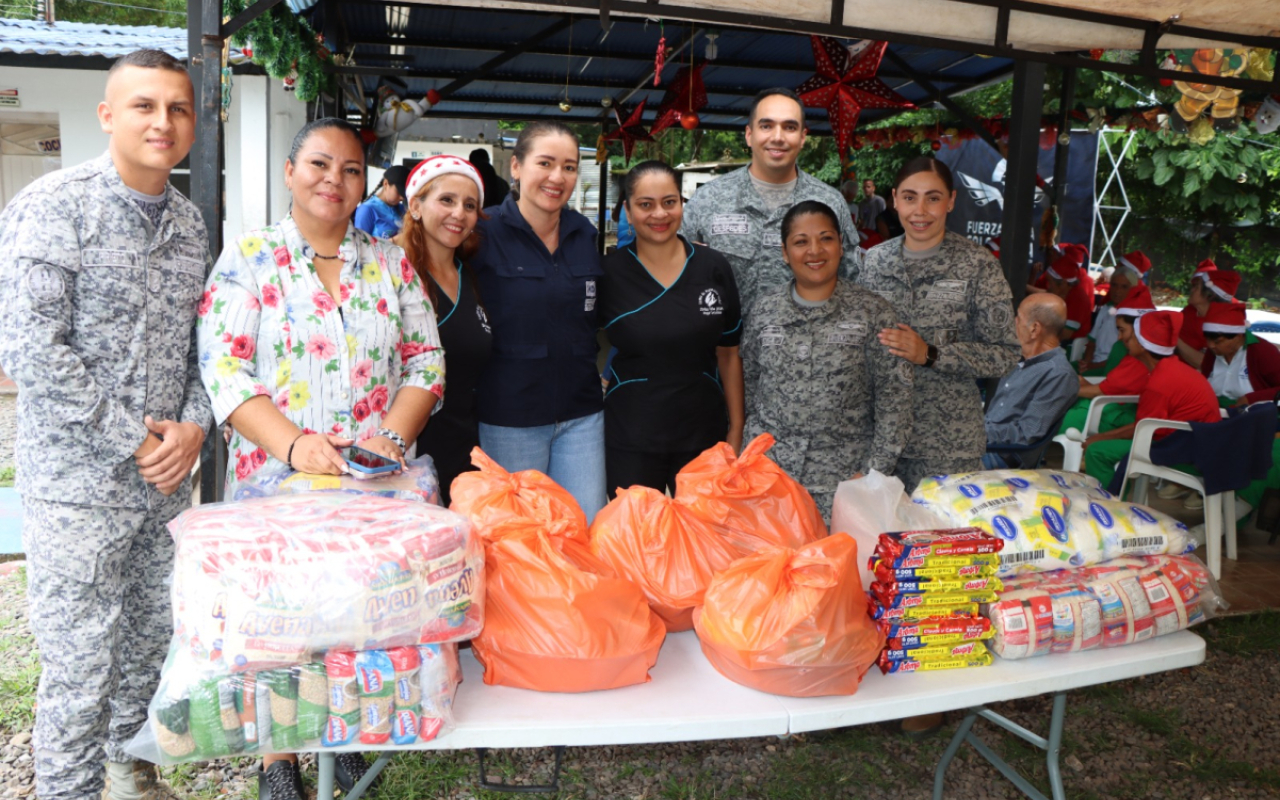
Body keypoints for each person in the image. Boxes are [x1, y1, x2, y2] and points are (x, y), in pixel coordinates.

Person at [198, 118, 445, 800]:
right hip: (277, 481)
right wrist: (294, 444)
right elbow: (224, 367)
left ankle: (354, 720)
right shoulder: (249, 257)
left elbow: (426, 357)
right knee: (281, 616)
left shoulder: (390, 259)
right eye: (318, 164)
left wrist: (391, 437)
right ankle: (278, 760)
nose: (333, 180)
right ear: (289, 171)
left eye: (350, 169)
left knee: (361, 607)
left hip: (376, 481)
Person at [0, 49, 211, 800]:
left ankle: (133, 776)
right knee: (79, 670)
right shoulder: (55, 206)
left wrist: (192, 428)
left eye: (178, 108)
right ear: (107, 115)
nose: (163, 122)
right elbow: (30, 348)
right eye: (145, 106)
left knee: (151, 648)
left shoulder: (189, 226)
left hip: (159, 494)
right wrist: (136, 438)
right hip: (76, 492)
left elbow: (204, 350)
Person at [471, 121, 608, 521]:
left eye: (569, 167)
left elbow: (605, 312)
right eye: (545, 163)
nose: (557, 177)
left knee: (582, 530)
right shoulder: (482, 232)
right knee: (520, 541)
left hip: (582, 415)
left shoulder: (584, 233)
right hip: (510, 417)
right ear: (516, 167)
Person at [742, 200, 912, 519]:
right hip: (770, 485)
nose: (814, 251)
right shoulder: (764, 311)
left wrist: (873, 475)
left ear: (840, 244)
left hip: (846, 487)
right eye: (801, 242)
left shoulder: (873, 313)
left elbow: (895, 402)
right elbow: (750, 387)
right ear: (784, 252)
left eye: (826, 238)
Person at [861, 156, 1020, 493]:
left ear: (951, 201)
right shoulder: (873, 261)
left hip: (947, 446)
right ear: (894, 199)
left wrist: (931, 354)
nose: (920, 210)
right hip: (878, 445)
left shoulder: (978, 266)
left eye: (933, 198)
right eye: (909, 197)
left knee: (942, 544)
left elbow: (1005, 354)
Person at [599, 161, 745, 495]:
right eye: (645, 204)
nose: (659, 214)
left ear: (682, 203)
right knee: (638, 539)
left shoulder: (713, 268)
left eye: (669, 202)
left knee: (702, 539)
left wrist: (735, 431)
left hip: (703, 435)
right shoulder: (608, 273)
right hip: (631, 435)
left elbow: (729, 354)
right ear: (628, 210)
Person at [682, 88, 862, 316]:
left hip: (804, 347)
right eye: (766, 126)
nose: (778, 137)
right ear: (749, 134)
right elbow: (678, 276)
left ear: (803, 137)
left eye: (789, 127)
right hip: (723, 348)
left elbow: (851, 280)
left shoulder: (829, 202)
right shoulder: (707, 200)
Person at [394, 155, 492, 505]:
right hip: (405, 453)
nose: (459, 214)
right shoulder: (390, 272)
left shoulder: (472, 275)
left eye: (469, 205)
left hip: (464, 450)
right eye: (446, 200)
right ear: (416, 205)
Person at [1082, 310, 1220, 492]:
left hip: (1188, 450)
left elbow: (1142, 429)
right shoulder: (1171, 368)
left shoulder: (1159, 381)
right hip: (1196, 442)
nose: (1124, 340)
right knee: (1104, 438)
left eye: (1130, 337)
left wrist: (1097, 439)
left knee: (1097, 451)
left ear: (1143, 345)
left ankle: (1110, 511)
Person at [983, 294, 1078, 469]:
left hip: (998, 457)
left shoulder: (1058, 374)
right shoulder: (1020, 360)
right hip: (982, 445)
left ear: (1034, 329)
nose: (1013, 323)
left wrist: (973, 431)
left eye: (1018, 317)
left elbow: (1027, 433)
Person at [1059, 283, 1156, 439]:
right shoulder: (1126, 351)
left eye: (1122, 330)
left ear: (1139, 328)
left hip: (1126, 416)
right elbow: (1110, 387)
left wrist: (1060, 387)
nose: (1118, 337)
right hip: (1113, 404)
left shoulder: (1144, 358)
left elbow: (1105, 391)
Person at [1080, 250, 1150, 373]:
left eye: (1123, 286)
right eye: (1114, 285)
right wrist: (1086, 363)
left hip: (1113, 369)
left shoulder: (1136, 314)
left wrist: (1091, 367)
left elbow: (1123, 357)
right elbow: (1092, 342)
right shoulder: (1107, 308)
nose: (1117, 291)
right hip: (1094, 364)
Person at [1200, 302, 1280, 405]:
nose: (1211, 346)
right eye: (1208, 340)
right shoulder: (1213, 352)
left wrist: (1251, 399)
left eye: (1217, 341)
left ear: (1238, 336)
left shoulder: (1262, 351)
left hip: (1250, 415)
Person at [1178, 260, 1241, 368]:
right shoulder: (1189, 311)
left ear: (1209, 295)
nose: (1191, 290)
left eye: (1196, 287)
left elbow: (1208, 365)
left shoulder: (1224, 326)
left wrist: (1176, 340)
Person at [1044, 243, 1093, 341]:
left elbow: (1064, 335)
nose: (1048, 287)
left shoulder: (1078, 299)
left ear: (1063, 283)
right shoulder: (1064, 294)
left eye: (1050, 282)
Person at [353, 163, 409, 238]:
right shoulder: (367, 210)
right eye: (398, 192)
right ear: (386, 184)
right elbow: (360, 244)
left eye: (404, 194)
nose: (402, 198)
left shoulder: (402, 209)